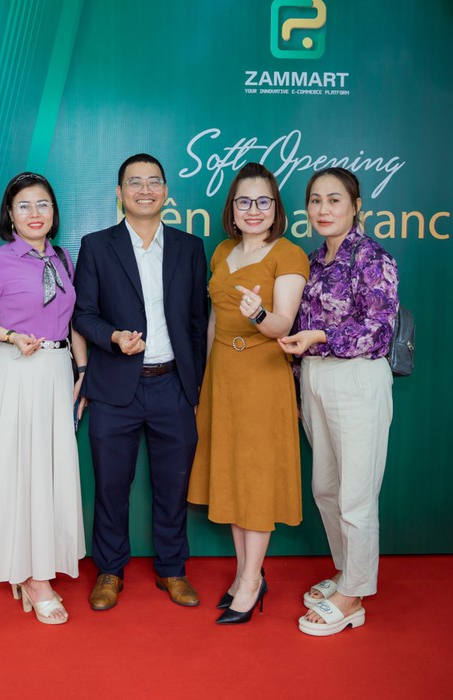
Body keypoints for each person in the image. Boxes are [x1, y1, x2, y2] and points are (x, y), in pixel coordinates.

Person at [73, 153, 208, 610]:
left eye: (153, 181)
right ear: (119, 192)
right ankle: (109, 570)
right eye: (135, 182)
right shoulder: (96, 245)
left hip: (173, 385)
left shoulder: (189, 247)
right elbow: (82, 314)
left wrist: (194, 386)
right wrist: (112, 337)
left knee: (173, 486)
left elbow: (197, 322)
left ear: (166, 191)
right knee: (111, 487)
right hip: (115, 388)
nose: (144, 190)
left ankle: (172, 569)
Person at [0, 172, 87, 625]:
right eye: (24, 206)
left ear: (54, 212)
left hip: (57, 371)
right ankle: (34, 578)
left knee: (49, 470)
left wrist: (82, 371)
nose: (35, 214)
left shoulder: (63, 258)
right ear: (10, 215)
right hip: (18, 371)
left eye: (43, 205)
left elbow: (72, 321)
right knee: (21, 469)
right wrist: (11, 336)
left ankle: (38, 563)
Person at [278, 166, 398, 637]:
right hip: (315, 378)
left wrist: (321, 337)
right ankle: (347, 572)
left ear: (355, 206)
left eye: (334, 200)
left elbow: (379, 330)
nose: (323, 209)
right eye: (315, 200)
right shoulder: (311, 260)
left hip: (357, 379)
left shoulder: (371, 256)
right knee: (326, 488)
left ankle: (354, 596)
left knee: (355, 495)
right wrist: (297, 378)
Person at [187, 162, 308, 624]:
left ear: (275, 208)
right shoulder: (222, 251)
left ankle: (253, 580)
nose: (253, 210)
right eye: (244, 201)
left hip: (262, 374)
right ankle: (244, 573)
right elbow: (214, 321)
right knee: (235, 475)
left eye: (263, 201)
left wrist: (259, 315)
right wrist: (204, 379)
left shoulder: (289, 254)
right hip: (224, 374)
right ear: (232, 208)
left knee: (255, 478)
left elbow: (283, 324)